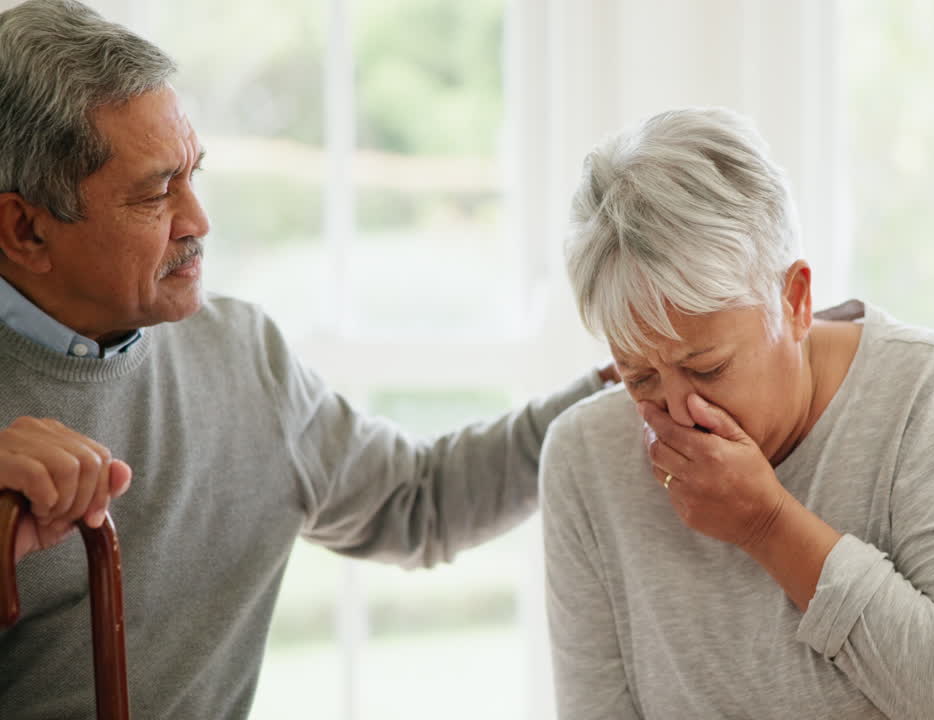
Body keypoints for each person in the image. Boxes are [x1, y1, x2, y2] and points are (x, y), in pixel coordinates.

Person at [0, 1, 614, 716]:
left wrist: (618, 389)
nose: (199, 221)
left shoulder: (243, 358)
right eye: (156, 194)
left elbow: (417, 500)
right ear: (24, 230)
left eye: (194, 173)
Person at [540, 107, 934, 719]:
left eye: (709, 367)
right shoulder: (584, 459)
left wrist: (768, 525)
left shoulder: (924, 388)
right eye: (640, 377)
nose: (678, 411)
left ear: (795, 301)